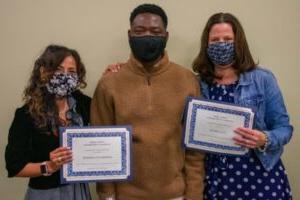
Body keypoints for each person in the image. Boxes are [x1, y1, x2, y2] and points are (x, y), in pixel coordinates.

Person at [91, 4, 205, 200]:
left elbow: (195, 150)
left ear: (166, 36)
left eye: (155, 31)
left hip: (176, 194)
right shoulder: (108, 84)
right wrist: (107, 195)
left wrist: (194, 195)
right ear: (129, 34)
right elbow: (102, 146)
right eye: (140, 31)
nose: (147, 36)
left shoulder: (187, 80)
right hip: (125, 196)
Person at [192, 12, 293, 199]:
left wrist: (265, 139)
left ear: (238, 42)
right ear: (206, 44)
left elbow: (284, 129)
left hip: (261, 177)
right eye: (215, 40)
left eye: (228, 39)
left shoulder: (263, 79)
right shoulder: (197, 84)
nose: (221, 43)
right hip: (215, 179)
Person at [5, 45, 92, 200]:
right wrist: (49, 166)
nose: (65, 75)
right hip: (45, 194)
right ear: (44, 72)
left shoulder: (83, 105)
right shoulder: (25, 115)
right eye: (58, 69)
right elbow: (14, 167)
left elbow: (106, 108)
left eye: (71, 71)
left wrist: (112, 74)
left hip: (79, 191)